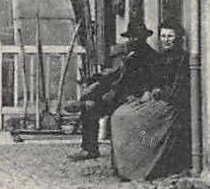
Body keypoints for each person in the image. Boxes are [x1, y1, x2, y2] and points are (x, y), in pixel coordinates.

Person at [66, 17, 160, 161]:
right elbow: (116, 76)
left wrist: (108, 94)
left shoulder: (149, 57)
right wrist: (94, 86)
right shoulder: (130, 55)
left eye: (137, 37)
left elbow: (146, 81)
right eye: (131, 37)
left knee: (91, 106)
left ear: (144, 38)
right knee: (90, 99)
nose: (133, 40)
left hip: (134, 97)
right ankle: (88, 147)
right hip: (120, 94)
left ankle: (89, 147)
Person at [110, 21, 192, 180]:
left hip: (172, 104)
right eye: (163, 36)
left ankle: (139, 167)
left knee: (128, 119)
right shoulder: (160, 58)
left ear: (178, 38)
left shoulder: (183, 59)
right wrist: (148, 91)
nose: (166, 40)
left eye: (170, 36)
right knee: (120, 114)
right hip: (156, 99)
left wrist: (159, 92)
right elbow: (151, 80)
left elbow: (180, 89)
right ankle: (125, 166)